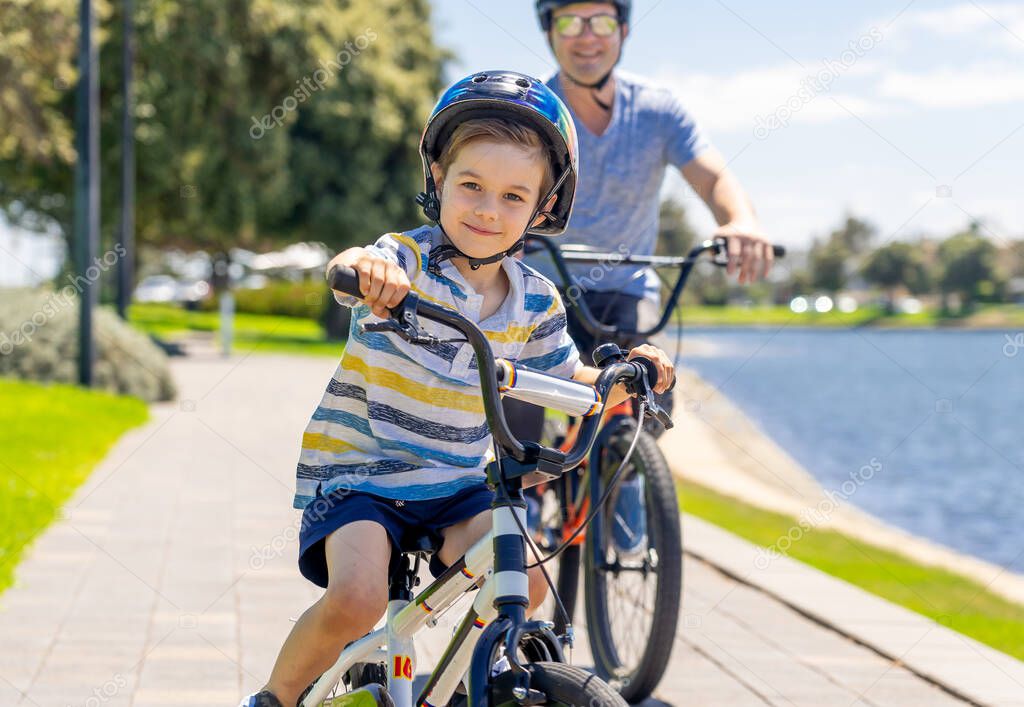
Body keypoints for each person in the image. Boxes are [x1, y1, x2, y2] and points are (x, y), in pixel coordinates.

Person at [238, 70, 676, 707]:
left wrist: (626, 375)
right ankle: (276, 697)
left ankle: (469, 686)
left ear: (542, 208)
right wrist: (366, 271)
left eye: (512, 197)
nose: (487, 210)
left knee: (522, 587)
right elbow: (358, 268)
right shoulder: (406, 262)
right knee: (357, 600)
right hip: (363, 475)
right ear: (438, 179)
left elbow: (568, 382)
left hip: (456, 480)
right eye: (471, 185)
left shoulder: (535, 297)